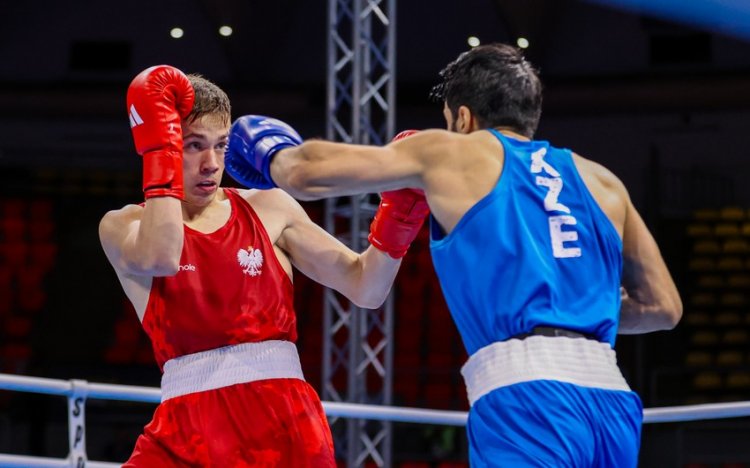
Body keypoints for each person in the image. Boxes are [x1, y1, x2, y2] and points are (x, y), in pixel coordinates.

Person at [223, 43, 683, 467]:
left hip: (528, 395)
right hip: (611, 399)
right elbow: (663, 308)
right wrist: (571, 300)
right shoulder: (603, 181)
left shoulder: (453, 152)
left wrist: (270, 150)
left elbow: (306, 173)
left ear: (462, 118)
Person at [98, 65, 429, 466]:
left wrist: (400, 217)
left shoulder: (269, 208)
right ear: (163, 143)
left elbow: (366, 288)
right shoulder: (124, 225)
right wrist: (161, 154)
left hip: (280, 418)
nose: (210, 163)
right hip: (184, 427)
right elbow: (162, 257)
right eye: (192, 145)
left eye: (220, 146)